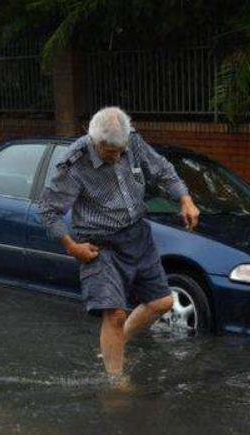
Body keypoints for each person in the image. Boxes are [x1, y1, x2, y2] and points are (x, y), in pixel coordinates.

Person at [39, 107, 200, 380]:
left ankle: (114, 343)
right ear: (96, 142)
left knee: (162, 302)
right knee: (114, 314)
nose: (117, 157)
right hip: (99, 245)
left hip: (137, 235)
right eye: (111, 152)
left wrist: (185, 199)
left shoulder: (131, 141)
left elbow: (162, 170)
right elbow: (48, 210)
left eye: (121, 150)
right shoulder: (75, 164)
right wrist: (71, 246)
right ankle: (116, 384)